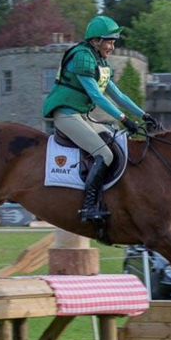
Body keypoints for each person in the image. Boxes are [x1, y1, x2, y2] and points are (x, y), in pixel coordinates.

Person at [42, 15, 160, 222]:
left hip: (81, 115)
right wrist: (124, 119)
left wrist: (144, 115)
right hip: (66, 115)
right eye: (110, 41)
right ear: (96, 40)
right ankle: (87, 207)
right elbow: (97, 96)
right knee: (105, 155)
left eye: (114, 42)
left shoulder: (99, 60)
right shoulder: (82, 57)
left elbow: (117, 94)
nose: (112, 46)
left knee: (115, 142)